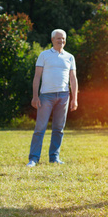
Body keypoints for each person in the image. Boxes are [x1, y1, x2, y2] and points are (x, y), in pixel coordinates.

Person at [26, 29, 78, 167]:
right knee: (40, 128)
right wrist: (35, 96)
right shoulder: (44, 55)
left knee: (59, 129)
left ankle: (54, 157)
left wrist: (75, 98)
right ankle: (34, 159)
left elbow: (73, 79)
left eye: (63, 39)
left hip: (63, 96)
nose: (61, 41)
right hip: (46, 96)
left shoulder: (70, 57)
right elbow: (37, 77)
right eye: (58, 38)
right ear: (52, 39)